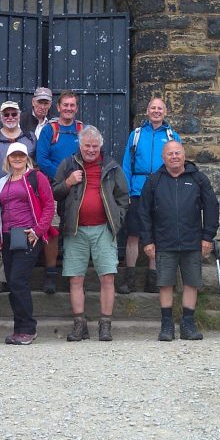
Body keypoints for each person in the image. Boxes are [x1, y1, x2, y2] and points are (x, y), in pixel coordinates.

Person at [51, 126, 129, 341]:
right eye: (87, 145)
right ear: (80, 145)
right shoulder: (68, 165)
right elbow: (54, 192)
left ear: (100, 146)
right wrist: (68, 182)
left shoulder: (112, 167)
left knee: (107, 278)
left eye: (95, 146)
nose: (91, 150)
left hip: (104, 229)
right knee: (76, 279)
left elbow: (123, 197)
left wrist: (117, 219)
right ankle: (80, 324)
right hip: (75, 230)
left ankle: (105, 324)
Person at [138, 140, 219, 341]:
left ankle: (188, 324)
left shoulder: (198, 178)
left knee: (192, 282)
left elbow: (211, 208)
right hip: (164, 242)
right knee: (165, 283)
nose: (174, 157)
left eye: (177, 153)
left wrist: (208, 236)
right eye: (169, 154)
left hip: (192, 242)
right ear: (163, 158)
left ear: (184, 155)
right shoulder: (154, 181)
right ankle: (167, 326)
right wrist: (147, 240)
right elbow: (144, 213)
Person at [118, 96, 181, 294]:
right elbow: (127, 164)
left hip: (162, 191)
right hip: (137, 190)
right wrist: (126, 190)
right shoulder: (136, 135)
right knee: (133, 235)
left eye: (160, 108)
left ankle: (153, 280)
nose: (156, 111)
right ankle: (130, 279)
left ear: (165, 112)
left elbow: (178, 164)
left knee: (157, 236)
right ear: (147, 111)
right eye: (152, 108)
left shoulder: (172, 136)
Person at [0, 142, 56, 344]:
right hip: (8, 236)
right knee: (12, 282)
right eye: (14, 156)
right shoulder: (2, 181)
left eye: (21, 155)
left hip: (28, 235)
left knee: (18, 280)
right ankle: (19, 329)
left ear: (27, 157)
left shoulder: (36, 178)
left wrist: (38, 231)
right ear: (8, 159)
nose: (18, 159)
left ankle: (28, 329)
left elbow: (48, 206)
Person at [0, 100, 36, 293]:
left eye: (14, 114)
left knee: (22, 229)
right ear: (1, 117)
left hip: (24, 190)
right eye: (7, 115)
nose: (10, 118)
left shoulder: (30, 137)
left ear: (20, 116)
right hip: (0, 188)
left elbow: (34, 164)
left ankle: (18, 276)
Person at [34, 90, 85, 293]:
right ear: (58, 107)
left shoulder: (83, 129)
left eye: (72, 105)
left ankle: (74, 271)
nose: (69, 109)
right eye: (65, 105)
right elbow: (41, 159)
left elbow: (91, 154)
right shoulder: (49, 130)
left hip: (77, 189)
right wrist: (63, 178)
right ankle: (51, 273)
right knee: (53, 230)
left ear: (77, 108)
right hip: (52, 187)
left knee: (75, 229)